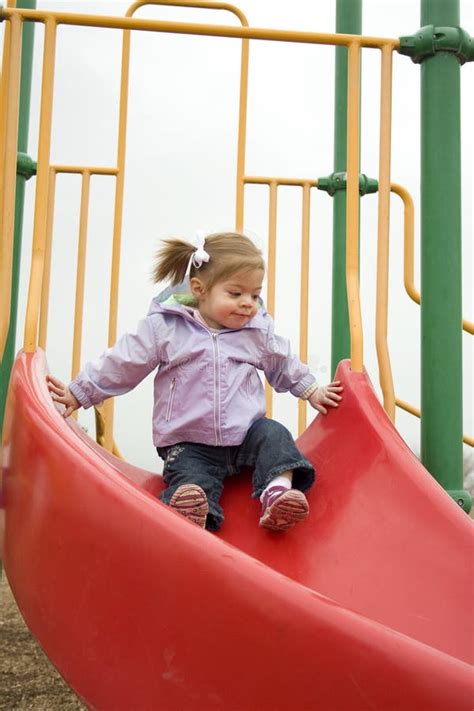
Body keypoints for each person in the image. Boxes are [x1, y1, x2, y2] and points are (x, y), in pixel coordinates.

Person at [47, 232, 342, 532]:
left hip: (246, 436)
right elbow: (124, 362)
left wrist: (310, 389)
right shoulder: (165, 328)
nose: (248, 304)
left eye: (255, 295)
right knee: (189, 478)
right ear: (200, 289)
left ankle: (277, 492)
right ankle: (192, 513)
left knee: (276, 435)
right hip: (188, 441)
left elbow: (282, 361)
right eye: (235, 293)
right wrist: (79, 392)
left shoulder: (256, 332)